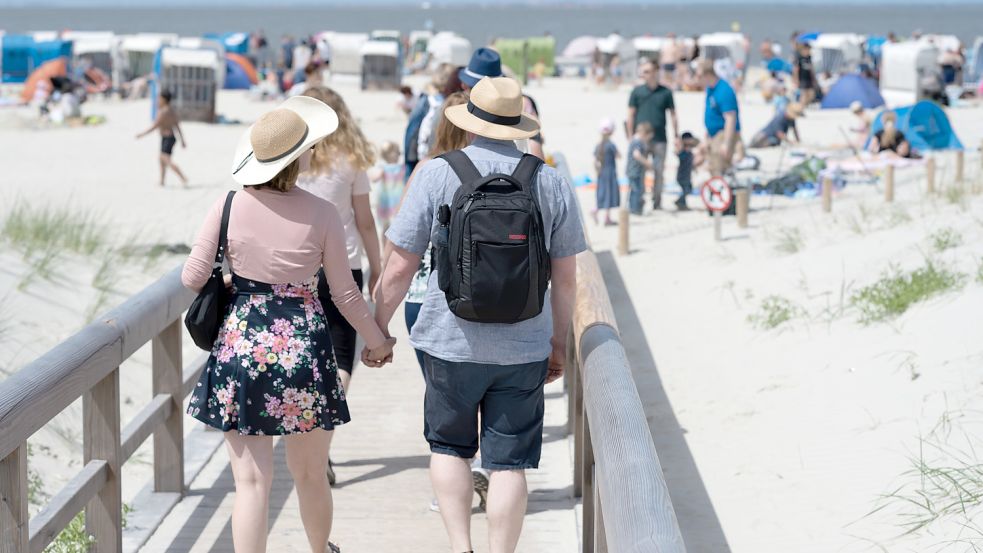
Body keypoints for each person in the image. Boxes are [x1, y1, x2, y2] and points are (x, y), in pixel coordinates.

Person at [373, 76, 587, 553]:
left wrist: (377, 328)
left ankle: (459, 545)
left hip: (448, 341)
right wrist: (557, 346)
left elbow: (399, 267)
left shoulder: (436, 173)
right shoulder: (548, 179)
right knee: (508, 464)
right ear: (517, 126)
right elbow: (567, 278)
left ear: (470, 124)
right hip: (525, 344)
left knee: (449, 448)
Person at [183, 95, 396, 553]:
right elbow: (344, 293)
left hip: (242, 347)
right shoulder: (320, 213)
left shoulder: (226, 206)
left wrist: (232, 272)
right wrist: (377, 341)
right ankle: (320, 550)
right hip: (305, 351)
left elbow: (191, 277)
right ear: (301, 157)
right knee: (309, 472)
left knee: (251, 483)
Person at [294, 87, 383, 484]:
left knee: (305, 355)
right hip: (344, 266)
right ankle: (322, 442)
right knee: (343, 357)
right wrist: (378, 266)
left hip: (297, 268)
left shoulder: (291, 157)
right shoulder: (351, 160)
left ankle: (309, 436)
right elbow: (365, 221)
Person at [626, 59, 678, 211]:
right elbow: (630, 115)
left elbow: (673, 115)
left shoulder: (666, 92)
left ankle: (657, 202)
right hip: (640, 140)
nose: (645, 74)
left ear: (656, 72)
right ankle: (638, 202)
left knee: (659, 172)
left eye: (648, 71)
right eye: (644, 72)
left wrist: (676, 135)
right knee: (639, 170)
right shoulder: (637, 92)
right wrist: (630, 137)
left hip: (660, 138)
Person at [697, 59, 742, 177]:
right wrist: (706, 137)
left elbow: (730, 118)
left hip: (723, 134)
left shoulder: (724, 90)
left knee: (718, 167)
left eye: (699, 76)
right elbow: (712, 114)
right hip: (713, 134)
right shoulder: (710, 89)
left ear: (707, 75)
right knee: (712, 166)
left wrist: (726, 143)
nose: (697, 79)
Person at [135, 90, 188, 187]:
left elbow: (155, 126)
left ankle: (183, 177)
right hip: (170, 138)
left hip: (167, 139)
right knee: (161, 160)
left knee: (166, 159)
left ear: (163, 99)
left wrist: (142, 134)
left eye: (159, 98)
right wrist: (182, 140)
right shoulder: (171, 110)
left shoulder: (163, 112)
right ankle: (162, 181)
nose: (158, 99)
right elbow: (177, 126)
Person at [373, 141, 405, 239]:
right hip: (386, 200)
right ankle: (385, 251)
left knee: (394, 226)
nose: (399, 154)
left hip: (396, 200)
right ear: (388, 154)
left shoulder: (401, 168)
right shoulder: (384, 168)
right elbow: (374, 178)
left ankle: (389, 249)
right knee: (385, 226)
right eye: (396, 151)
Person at [594, 118, 620, 225]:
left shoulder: (598, 145)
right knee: (609, 194)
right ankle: (606, 218)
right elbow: (618, 155)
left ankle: (596, 210)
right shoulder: (611, 145)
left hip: (602, 173)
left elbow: (595, 161)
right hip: (610, 173)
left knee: (602, 193)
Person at [626, 121, 654, 216]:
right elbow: (636, 155)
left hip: (633, 171)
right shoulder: (637, 142)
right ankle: (635, 209)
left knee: (634, 190)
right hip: (635, 171)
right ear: (643, 134)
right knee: (636, 190)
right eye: (647, 138)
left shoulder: (635, 140)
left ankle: (633, 208)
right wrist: (647, 163)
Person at [675, 132, 700, 211]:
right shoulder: (683, 151)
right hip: (682, 175)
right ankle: (680, 202)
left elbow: (697, 142)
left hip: (687, 175)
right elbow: (677, 152)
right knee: (686, 190)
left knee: (688, 189)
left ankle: (682, 204)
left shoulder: (690, 151)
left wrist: (695, 169)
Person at [793, 41, 816, 106]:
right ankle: (801, 107)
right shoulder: (799, 58)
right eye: (807, 49)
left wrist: (814, 79)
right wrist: (796, 80)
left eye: (809, 49)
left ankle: (805, 105)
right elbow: (796, 70)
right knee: (804, 94)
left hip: (809, 78)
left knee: (811, 94)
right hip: (802, 78)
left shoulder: (809, 57)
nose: (808, 51)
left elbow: (811, 69)